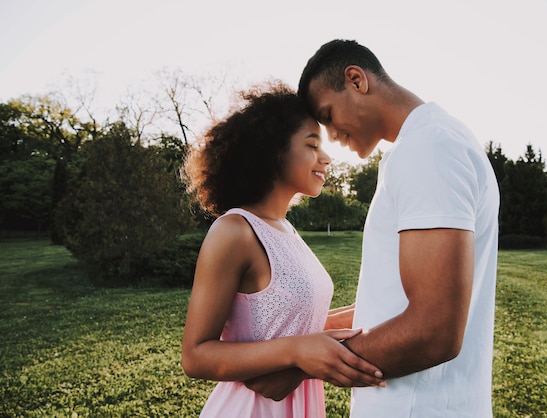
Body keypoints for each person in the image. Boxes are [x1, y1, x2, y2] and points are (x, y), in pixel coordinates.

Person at [296, 39, 500, 417]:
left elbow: (433, 329)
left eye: (328, 115)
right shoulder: (424, 144)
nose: (332, 135)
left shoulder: (428, 148)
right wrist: (300, 338)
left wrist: (299, 364)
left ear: (356, 80)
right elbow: (390, 304)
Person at [180, 81, 385, 418]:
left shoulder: (286, 229)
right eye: (312, 145)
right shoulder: (235, 231)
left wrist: (383, 307)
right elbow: (195, 356)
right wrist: (295, 351)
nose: (327, 158)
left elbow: (300, 324)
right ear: (273, 151)